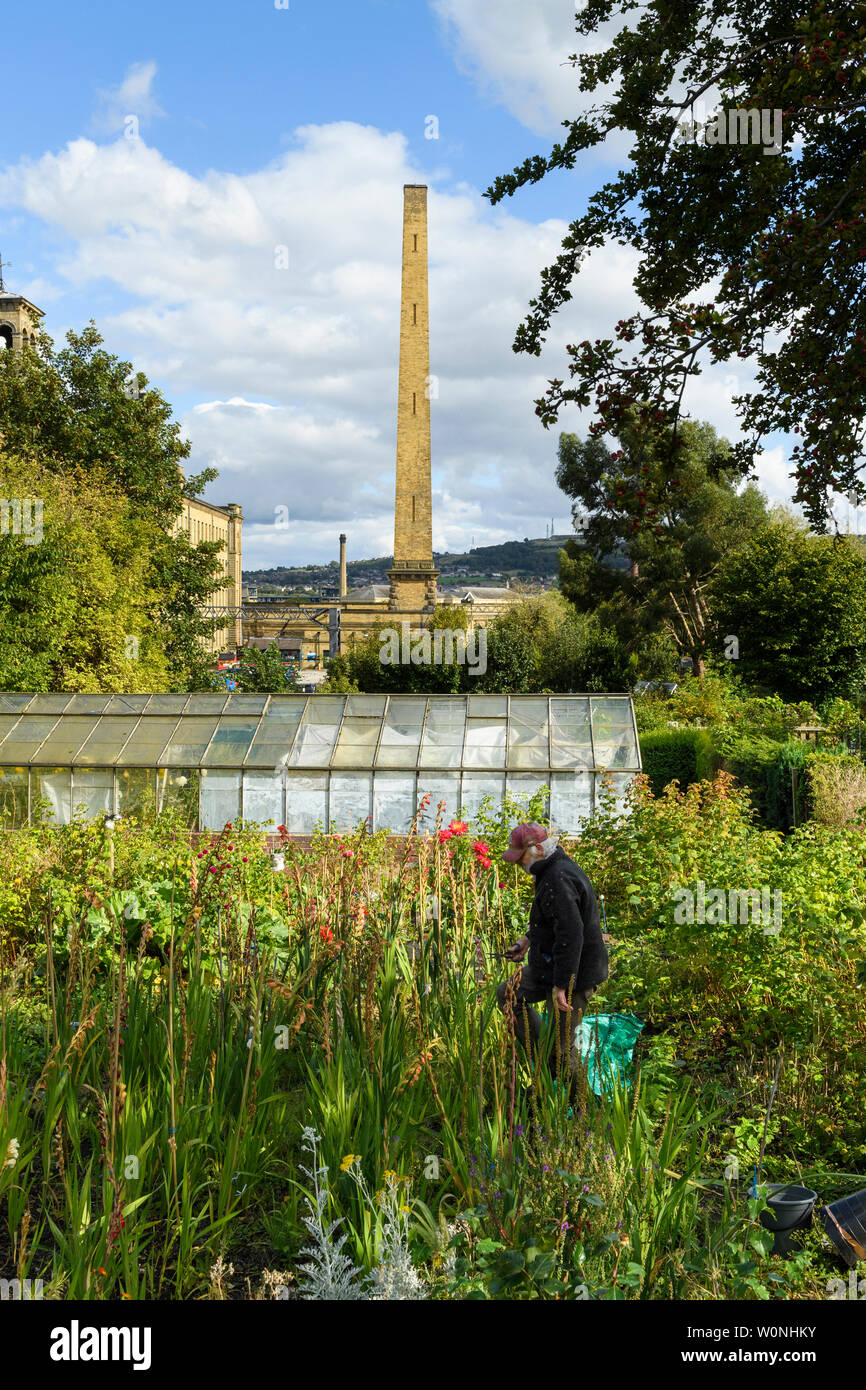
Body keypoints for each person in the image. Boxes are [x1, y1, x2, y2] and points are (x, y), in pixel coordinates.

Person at [495, 822, 608, 1091]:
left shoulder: (559, 878)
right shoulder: (549, 869)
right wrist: (527, 940)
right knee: (508, 994)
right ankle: (546, 1061)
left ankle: (582, 1110)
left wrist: (563, 985)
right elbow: (554, 921)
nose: (518, 864)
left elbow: (571, 936)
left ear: (536, 849)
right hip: (549, 965)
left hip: (575, 972)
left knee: (563, 1049)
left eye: (520, 857)